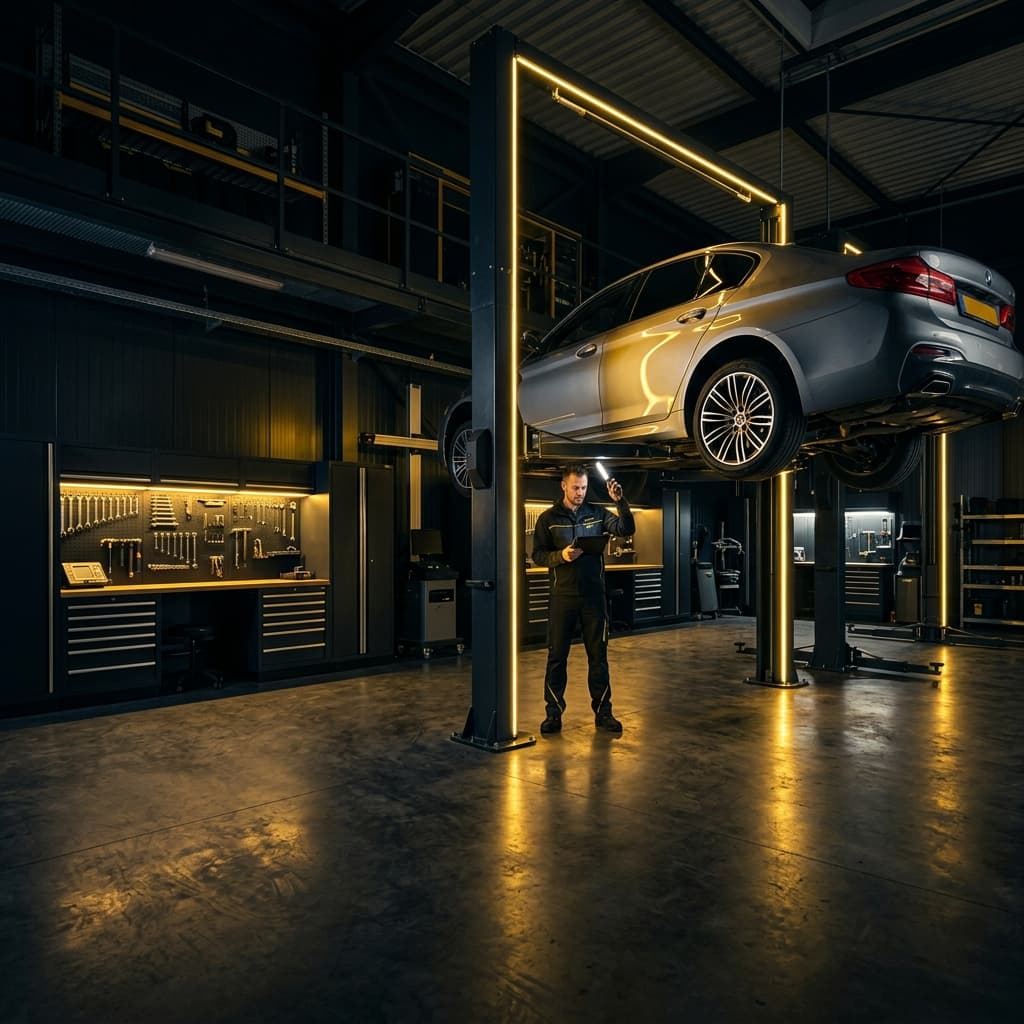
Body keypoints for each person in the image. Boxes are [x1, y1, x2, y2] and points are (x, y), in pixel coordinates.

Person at [531, 464, 636, 734]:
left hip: (593, 599)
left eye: (584, 488)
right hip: (562, 597)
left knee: (598, 656)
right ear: (564, 486)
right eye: (576, 487)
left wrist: (620, 501)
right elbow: (538, 555)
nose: (580, 492)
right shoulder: (548, 519)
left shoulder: (597, 514)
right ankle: (553, 714)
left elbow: (625, 528)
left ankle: (604, 714)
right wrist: (561, 556)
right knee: (557, 657)